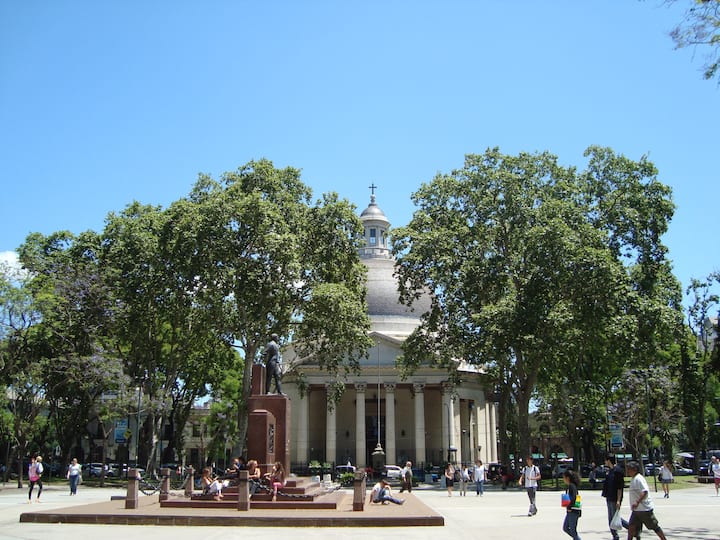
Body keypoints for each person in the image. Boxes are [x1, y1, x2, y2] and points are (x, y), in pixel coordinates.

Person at [626, 461, 667, 540]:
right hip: (636, 510)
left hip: (644, 509)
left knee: (654, 526)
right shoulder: (634, 479)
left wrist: (637, 502)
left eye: (629, 469)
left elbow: (644, 492)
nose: (627, 471)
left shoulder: (639, 479)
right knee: (631, 526)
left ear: (635, 469)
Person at [602, 453, 634, 540]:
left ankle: (631, 529)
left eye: (605, 460)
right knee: (611, 519)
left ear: (609, 461)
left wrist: (618, 500)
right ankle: (615, 536)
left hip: (614, 498)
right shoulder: (610, 471)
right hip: (609, 497)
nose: (605, 462)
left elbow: (620, 487)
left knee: (615, 518)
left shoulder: (618, 471)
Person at [562, 469, 582, 540]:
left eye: (564, 478)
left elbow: (574, 497)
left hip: (573, 511)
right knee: (565, 527)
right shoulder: (570, 486)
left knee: (573, 531)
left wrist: (569, 507)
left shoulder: (572, 486)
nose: (563, 479)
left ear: (567, 478)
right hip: (570, 510)